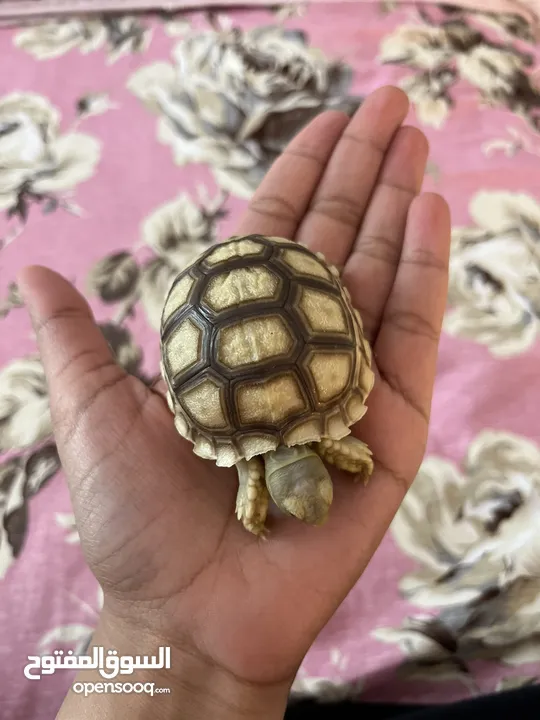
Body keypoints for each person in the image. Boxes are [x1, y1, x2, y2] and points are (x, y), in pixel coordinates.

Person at [18, 85, 452, 718]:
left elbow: (293, 448)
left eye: (302, 502)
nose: (310, 509)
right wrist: (177, 648)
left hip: (236, 304)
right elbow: (318, 441)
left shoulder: (275, 451)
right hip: (276, 297)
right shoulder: (318, 431)